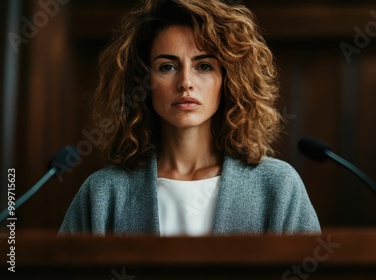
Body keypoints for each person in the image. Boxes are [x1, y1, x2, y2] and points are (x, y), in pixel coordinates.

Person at [59, 0, 320, 235]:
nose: (186, 83)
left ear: (228, 80)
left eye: (204, 66)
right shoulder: (103, 192)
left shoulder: (278, 186)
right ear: (142, 80)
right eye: (167, 67)